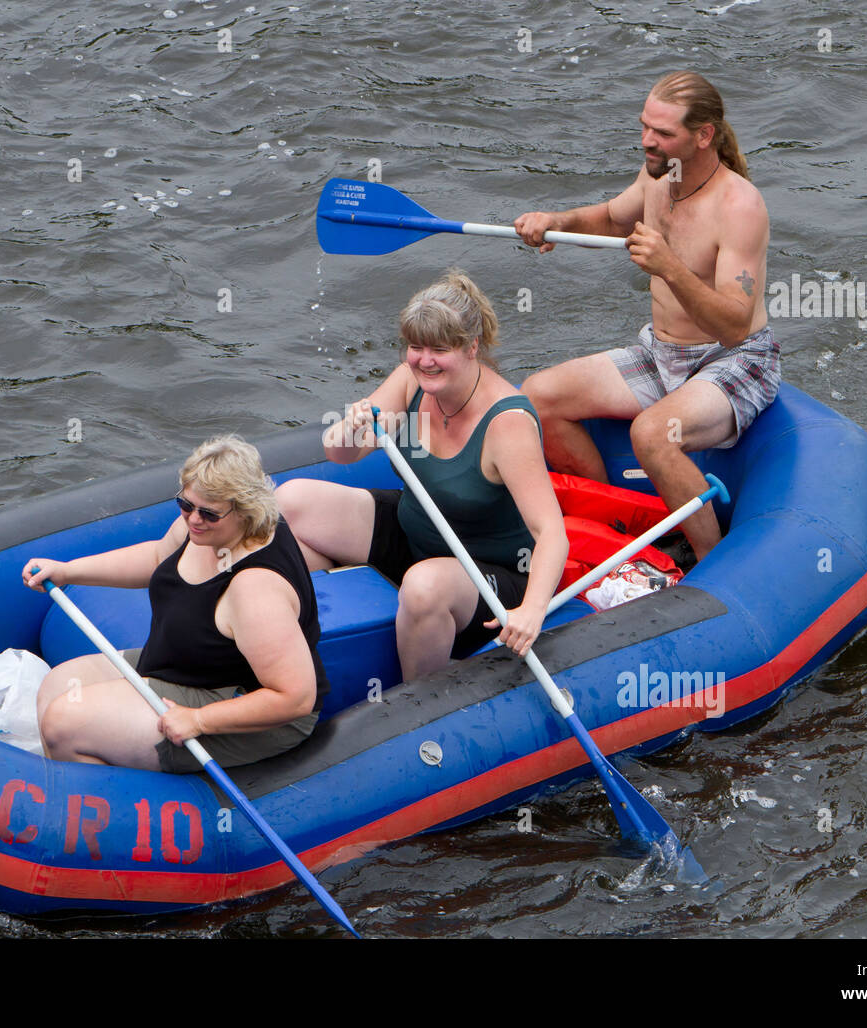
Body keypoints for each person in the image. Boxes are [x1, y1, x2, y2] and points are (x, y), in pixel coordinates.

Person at [515, 69, 780, 560]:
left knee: (653, 434)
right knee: (538, 397)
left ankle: (710, 561)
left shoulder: (740, 206)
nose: (646, 142)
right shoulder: (659, 174)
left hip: (734, 360)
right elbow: (615, 217)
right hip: (663, 353)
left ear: (704, 136)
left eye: (662, 133)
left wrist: (670, 267)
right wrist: (558, 221)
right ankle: (618, 527)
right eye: (644, 127)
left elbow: (734, 325)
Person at [276, 271, 567, 680]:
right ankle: (277, 627)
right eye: (416, 346)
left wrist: (532, 609)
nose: (424, 360)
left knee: (424, 585)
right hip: (416, 535)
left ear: (472, 347)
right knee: (291, 502)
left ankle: (419, 696)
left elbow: (551, 531)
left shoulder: (508, 423)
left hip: (489, 574)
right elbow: (342, 454)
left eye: (439, 349)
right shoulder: (412, 381)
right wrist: (351, 425)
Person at [23, 435, 329, 773]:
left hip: (234, 699)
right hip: (187, 665)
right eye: (185, 505)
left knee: (64, 723)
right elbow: (157, 556)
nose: (194, 519)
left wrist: (199, 720)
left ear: (246, 510)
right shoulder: (205, 527)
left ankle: (120, 806)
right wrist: (68, 571)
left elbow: (297, 698)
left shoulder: (255, 590)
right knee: (56, 687)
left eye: (209, 513)